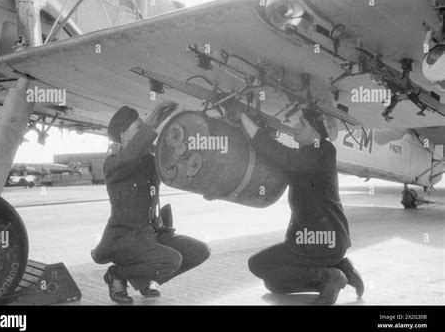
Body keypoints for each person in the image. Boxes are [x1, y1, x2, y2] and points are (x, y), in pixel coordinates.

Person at [239, 108, 364, 304]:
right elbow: (278, 157)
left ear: (316, 133)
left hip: (322, 243)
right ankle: (340, 268)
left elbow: (279, 152)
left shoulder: (320, 153)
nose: (295, 127)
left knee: (266, 273)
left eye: (302, 124)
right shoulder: (312, 153)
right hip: (318, 242)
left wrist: (242, 115)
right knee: (266, 275)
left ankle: (330, 277)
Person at [91, 102, 211, 304]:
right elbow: (129, 157)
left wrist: (207, 186)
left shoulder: (148, 161)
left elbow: (177, 172)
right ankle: (118, 274)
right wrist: (154, 120)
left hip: (152, 234)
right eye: (139, 128)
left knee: (199, 251)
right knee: (171, 260)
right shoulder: (113, 164)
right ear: (122, 136)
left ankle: (142, 277)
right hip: (124, 239)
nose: (143, 132)